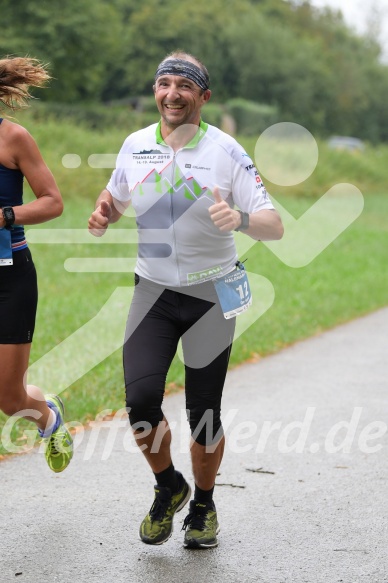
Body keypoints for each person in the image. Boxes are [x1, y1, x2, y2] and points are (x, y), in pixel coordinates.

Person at [88, 51, 283, 548]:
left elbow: (274, 224)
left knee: (204, 414)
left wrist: (238, 220)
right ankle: (167, 486)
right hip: (151, 291)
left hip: (210, 296)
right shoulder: (135, 145)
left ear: (204, 96)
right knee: (139, 402)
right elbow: (116, 196)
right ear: (156, 91)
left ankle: (203, 503)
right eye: (164, 83)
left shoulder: (226, 151)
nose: (172, 93)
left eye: (184, 85)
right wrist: (106, 212)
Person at [0, 56, 73, 472]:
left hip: (9, 276)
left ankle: (49, 416)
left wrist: (6, 215)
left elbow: (53, 202)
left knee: (10, 400)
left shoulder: (14, 138)